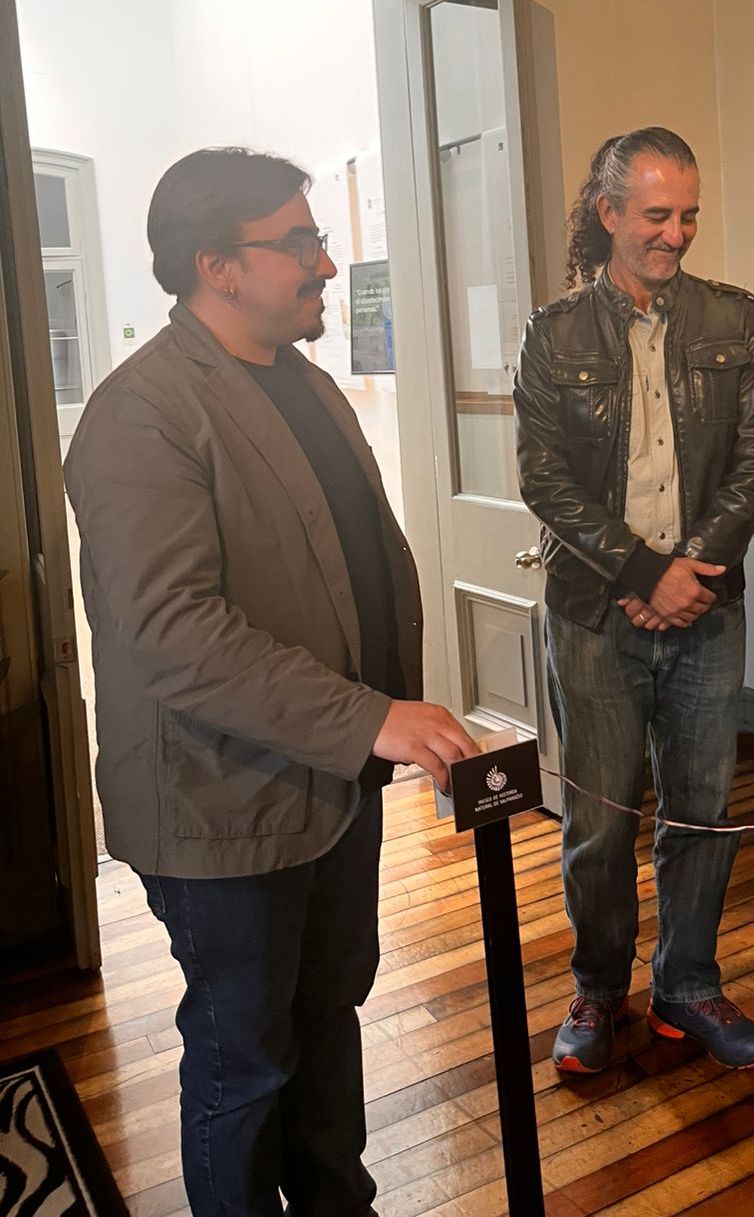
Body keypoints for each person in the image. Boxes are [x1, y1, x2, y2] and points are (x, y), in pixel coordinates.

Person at [65, 147, 477, 1217]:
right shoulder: (140, 412)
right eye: (298, 243)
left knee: (328, 1015)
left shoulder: (310, 387)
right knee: (244, 1061)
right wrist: (372, 715)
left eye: (318, 239)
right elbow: (173, 632)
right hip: (224, 804)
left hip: (330, 786)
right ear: (217, 266)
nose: (326, 264)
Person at [513, 126, 754, 1074]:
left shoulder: (732, 318)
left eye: (689, 216)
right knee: (599, 821)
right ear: (609, 213)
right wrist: (640, 577)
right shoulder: (551, 335)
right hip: (595, 614)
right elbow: (545, 480)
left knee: (703, 811)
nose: (677, 234)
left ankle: (688, 987)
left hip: (707, 608)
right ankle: (598, 989)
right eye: (658, 215)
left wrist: (690, 572)